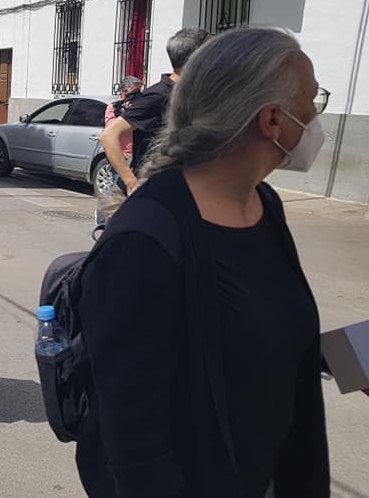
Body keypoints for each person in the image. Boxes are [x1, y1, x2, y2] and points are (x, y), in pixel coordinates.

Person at [77, 27, 331, 498]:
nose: (316, 117)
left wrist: (358, 355)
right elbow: (134, 446)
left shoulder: (264, 205)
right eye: (312, 100)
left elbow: (266, 334)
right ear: (272, 120)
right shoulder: (143, 240)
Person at [100, 27, 208, 194]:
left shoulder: (189, 95)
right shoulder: (158, 95)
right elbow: (109, 136)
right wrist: (131, 183)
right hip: (153, 194)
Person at [104, 76, 144, 162]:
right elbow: (111, 129)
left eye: (139, 93)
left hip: (141, 153)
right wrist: (125, 113)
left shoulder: (142, 107)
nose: (136, 96)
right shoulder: (114, 107)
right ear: (123, 91)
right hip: (123, 155)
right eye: (133, 93)